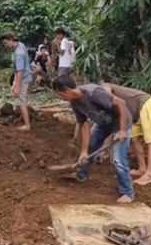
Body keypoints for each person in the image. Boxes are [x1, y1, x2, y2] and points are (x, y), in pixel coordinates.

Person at [52, 75, 135, 203]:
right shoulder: (74, 103)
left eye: (61, 95)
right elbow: (84, 125)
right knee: (90, 148)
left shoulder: (93, 94)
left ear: (68, 90)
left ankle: (127, 192)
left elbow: (121, 104)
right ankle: (81, 175)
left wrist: (123, 130)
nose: (61, 98)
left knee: (118, 158)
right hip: (103, 124)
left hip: (121, 122)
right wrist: (84, 151)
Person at [103, 83, 151, 186]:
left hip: (145, 104)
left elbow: (106, 88)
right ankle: (142, 168)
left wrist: (111, 97)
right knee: (134, 138)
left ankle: (149, 174)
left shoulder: (102, 87)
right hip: (135, 114)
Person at [0, 31, 32, 131]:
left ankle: (27, 125)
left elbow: (20, 72)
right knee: (20, 97)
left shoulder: (19, 54)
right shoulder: (19, 45)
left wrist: (17, 87)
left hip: (23, 78)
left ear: (11, 40)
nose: (5, 46)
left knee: (21, 101)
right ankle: (23, 117)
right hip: (23, 76)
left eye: (6, 43)